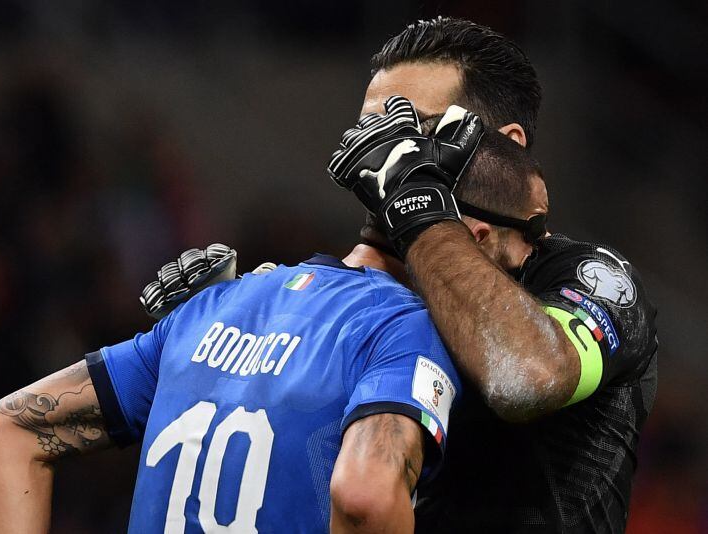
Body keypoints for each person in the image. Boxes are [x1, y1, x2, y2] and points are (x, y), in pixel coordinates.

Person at [146, 18, 658, 533]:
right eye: (376, 132)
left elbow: (525, 378)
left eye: (413, 132)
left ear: (506, 146)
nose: (389, 153)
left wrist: (418, 208)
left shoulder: (590, 280)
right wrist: (221, 357)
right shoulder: (361, 301)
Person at [0, 105, 513, 534]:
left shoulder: (209, 306)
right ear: (477, 242)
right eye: (512, 264)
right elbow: (366, 499)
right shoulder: (405, 329)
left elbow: (1, 432)